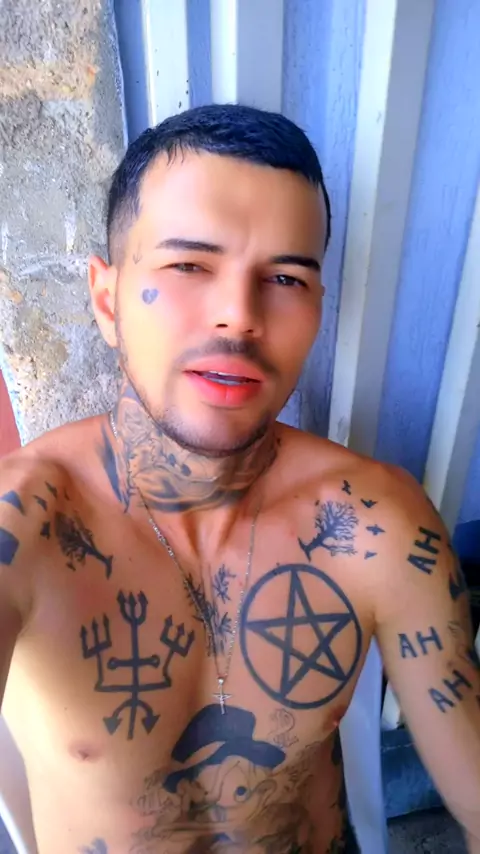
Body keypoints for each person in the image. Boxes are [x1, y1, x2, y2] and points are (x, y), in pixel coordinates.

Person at [0, 104, 478, 854]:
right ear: (108, 300)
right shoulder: (24, 529)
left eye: (285, 277)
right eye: (189, 265)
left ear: (317, 307)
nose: (238, 316)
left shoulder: (376, 524)